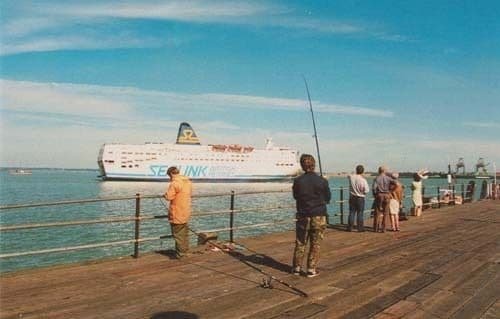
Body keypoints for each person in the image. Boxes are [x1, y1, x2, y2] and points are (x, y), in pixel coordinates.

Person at [291, 154, 331, 278]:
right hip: (318, 215)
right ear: (314, 165)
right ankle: (311, 269)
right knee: (316, 243)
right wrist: (324, 183)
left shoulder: (297, 181)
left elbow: (296, 196)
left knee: (300, 242)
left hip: (303, 215)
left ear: (302, 166)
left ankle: (296, 268)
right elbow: (328, 198)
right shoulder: (322, 181)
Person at [164, 166, 193, 259]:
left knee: (178, 234)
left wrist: (165, 195)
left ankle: (181, 254)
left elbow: (169, 197)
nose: (170, 178)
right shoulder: (187, 181)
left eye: (169, 176)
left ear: (172, 174)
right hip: (186, 211)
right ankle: (185, 251)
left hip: (177, 213)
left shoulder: (175, 183)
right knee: (184, 234)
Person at [372, 166, 395, 233]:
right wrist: (391, 191)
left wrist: (375, 195)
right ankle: (383, 228)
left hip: (379, 195)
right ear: (385, 171)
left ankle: (376, 228)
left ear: (379, 171)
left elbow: (374, 188)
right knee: (385, 212)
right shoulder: (388, 178)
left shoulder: (376, 178)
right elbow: (396, 183)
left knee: (377, 212)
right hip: (387, 195)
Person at [347, 165, 369, 232]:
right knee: (360, 213)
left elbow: (348, 175)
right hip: (360, 198)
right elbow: (367, 190)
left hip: (352, 197)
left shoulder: (351, 177)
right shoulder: (363, 180)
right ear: (363, 171)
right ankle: (360, 228)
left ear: (356, 170)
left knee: (351, 212)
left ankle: (350, 227)